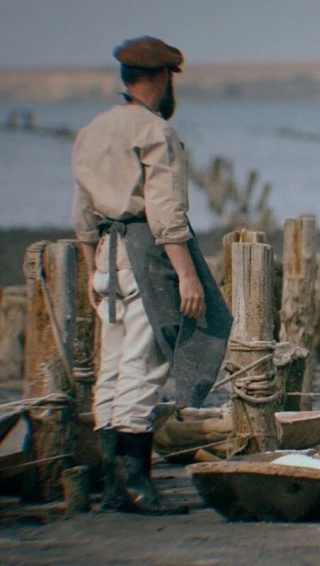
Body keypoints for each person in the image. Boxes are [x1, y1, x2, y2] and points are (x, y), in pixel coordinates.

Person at [72, 36, 233, 514]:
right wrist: (186, 275)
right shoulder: (155, 131)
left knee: (112, 370)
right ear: (163, 77)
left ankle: (111, 486)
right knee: (142, 370)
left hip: (107, 259)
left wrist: (91, 269)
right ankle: (135, 486)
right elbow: (164, 211)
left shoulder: (92, 130)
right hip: (145, 257)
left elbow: (83, 211)